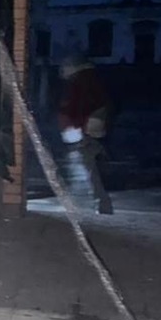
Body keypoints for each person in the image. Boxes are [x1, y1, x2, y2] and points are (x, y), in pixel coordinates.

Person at [58, 53, 114, 214]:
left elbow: (77, 107)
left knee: (88, 167)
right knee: (88, 166)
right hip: (90, 130)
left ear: (72, 67)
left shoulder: (79, 82)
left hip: (84, 130)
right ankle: (99, 203)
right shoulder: (92, 79)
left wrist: (76, 127)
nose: (62, 72)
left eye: (64, 68)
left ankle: (100, 204)